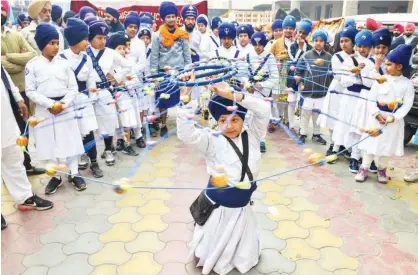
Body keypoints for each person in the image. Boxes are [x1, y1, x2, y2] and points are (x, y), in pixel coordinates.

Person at [177, 75, 271, 275]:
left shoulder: (253, 134)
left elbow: (264, 109)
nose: (229, 126)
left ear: (243, 119)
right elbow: (186, 134)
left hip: (242, 206)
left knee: (244, 251)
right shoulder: (211, 139)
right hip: (219, 208)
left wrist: (232, 95)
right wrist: (185, 102)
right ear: (216, 121)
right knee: (211, 249)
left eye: (235, 119)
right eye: (223, 120)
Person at [25, 23, 86, 194]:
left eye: (57, 43)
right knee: (48, 142)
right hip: (45, 109)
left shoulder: (64, 64)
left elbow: (73, 88)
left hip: (65, 108)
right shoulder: (32, 65)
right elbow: (30, 91)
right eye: (51, 43)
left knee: (70, 139)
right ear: (41, 44)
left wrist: (63, 104)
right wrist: (50, 104)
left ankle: (74, 173)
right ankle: (56, 176)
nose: (56, 46)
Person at [2, 65, 54, 230]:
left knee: (14, 159)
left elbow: (3, 74)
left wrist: (18, 98)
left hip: (5, 118)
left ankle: (25, 197)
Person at [356, 45, 414, 183]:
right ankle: (364, 167)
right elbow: (371, 99)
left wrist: (394, 117)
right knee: (371, 143)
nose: (386, 67)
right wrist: (376, 114)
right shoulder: (380, 80)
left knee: (386, 146)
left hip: (393, 122)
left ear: (399, 66)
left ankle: (381, 169)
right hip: (376, 118)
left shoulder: (407, 85)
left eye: (389, 64)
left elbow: (407, 105)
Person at [2, 2, 45, 176]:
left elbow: (32, 55)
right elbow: (5, 69)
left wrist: (8, 57)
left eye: (2, 8)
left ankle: (27, 165)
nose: (0, 12)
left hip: (20, 90)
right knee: (6, 135)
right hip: (3, 94)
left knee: (23, 129)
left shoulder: (15, 35)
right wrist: (16, 63)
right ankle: (11, 172)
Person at [61, 18, 103, 178]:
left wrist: (93, 98)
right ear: (75, 39)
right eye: (85, 39)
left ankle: (94, 161)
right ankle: (76, 163)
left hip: (84, 100)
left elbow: (91, 78)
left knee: (89, 131)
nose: (87, 42)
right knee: (74, 134)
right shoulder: (62, 58)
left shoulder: (87, 58)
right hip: (69, 102)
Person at [85, 20, 131, 166]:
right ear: (90, 38)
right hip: (87, 92)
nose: (102, 41)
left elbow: (127, 65)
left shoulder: (111, 53)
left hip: (104, 90)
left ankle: (108, 149)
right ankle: (86, 154)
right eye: (99, 38)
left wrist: (116, 77)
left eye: (104, 38)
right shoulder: (84, 53)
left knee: (108, 121)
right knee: (87, 124)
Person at [150, 1, 191, 137]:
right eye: (168, 16)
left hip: (180, 72)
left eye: (173, 16)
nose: (171, 19)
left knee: (182, 100)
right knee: (163, 100)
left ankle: (182, 126)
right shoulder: (157, 35)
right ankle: (163, 124)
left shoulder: (182, 34)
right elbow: (154, 57)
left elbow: (187, 55)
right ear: (163, 18)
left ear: (176, 17)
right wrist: (154, 76)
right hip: (164, 73)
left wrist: (188, 71)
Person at [318, 27, 357, 162]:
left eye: (347, 41)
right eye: (341, 41)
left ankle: (344, 146)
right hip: (338, 91)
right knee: (333, 118)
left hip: (352, 94)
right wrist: (355, 78)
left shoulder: (358, 57)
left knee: (347, 119)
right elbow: (340, 76)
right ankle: (333, 144)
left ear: (353, 42)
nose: (344, 44)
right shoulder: (337, 56)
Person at [345, 29, 375, 173]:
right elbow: (367, 83)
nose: (362, 49)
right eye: (360, 45)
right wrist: (357, 71)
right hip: (361, 97)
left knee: (371, 129)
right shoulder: (352, 60)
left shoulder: (376, 61)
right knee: (358, 128)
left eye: (365, 46)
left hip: (374, 99)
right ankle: (354, 157)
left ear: (371, 47)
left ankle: (369, 159)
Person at [107, 32, 141, 156]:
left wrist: (124, 83)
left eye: (124, 48)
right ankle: (118, 143)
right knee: (117, 122)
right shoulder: (109, 66)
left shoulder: (128, 64)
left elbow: (135, 81)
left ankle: (127, 144)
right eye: (119, 48)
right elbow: (108, 82)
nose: (122, 51)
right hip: (114, 98)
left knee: (127, 121)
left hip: (127, 96)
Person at [295, 30, 331, 145]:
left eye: (321, 41)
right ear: (313, 41)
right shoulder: (306, 55)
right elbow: (298, 72)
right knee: (305, 113)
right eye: (316, 41)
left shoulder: (329, 57)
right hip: (307, 92)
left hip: (321, 93)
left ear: (325, 42)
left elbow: (332, 74)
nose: (318, 43)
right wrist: (300, 84)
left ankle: (316, 134)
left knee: (317, 114)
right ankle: (303, 133)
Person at [246, 32, 279, 153]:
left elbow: (275, 77)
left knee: (263, 117)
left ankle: (261, 140)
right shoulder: (248, 55)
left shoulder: (270, 57)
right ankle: (249, 139)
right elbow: (243, 74)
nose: (257, 47)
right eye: (255, 44)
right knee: (248, 116)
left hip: (264, 93)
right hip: (249, 92)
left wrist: (262, 86)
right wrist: (247, 85)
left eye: (260, 44)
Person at [124, 12, 148, 147]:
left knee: (137, 108)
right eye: (130, 26)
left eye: (135, 27)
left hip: (135, 80)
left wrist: (131, 72)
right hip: (121, 82)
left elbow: (142, 63)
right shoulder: (119, 39)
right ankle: (123, 139)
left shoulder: (140, 44)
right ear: (125, 27)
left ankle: (138, 135)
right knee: (124, 110)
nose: (133, 29)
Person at [270, 15, 296, 131]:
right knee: (277, 98)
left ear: (294, 30)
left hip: (291, 76)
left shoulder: (296, 43)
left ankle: (287, 120)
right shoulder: (276, 43)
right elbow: (269, 58)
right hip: (279, 75)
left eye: (291, 28)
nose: (288, 30)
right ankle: (275, 120)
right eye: (286, 28)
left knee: (289, 99)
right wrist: (278, 57)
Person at [288, 18, 313, 137]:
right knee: (291, 101)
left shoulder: (310, 48)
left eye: (304, 33)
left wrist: (303, 47)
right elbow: (293, 60)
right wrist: (300, 48)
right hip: (292, 77)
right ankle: (291, 125)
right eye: (299, 32)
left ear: (308, 34)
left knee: (303, 102)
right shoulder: (292, 46)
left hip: (305, 78)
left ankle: (302, 128)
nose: (301, 35)